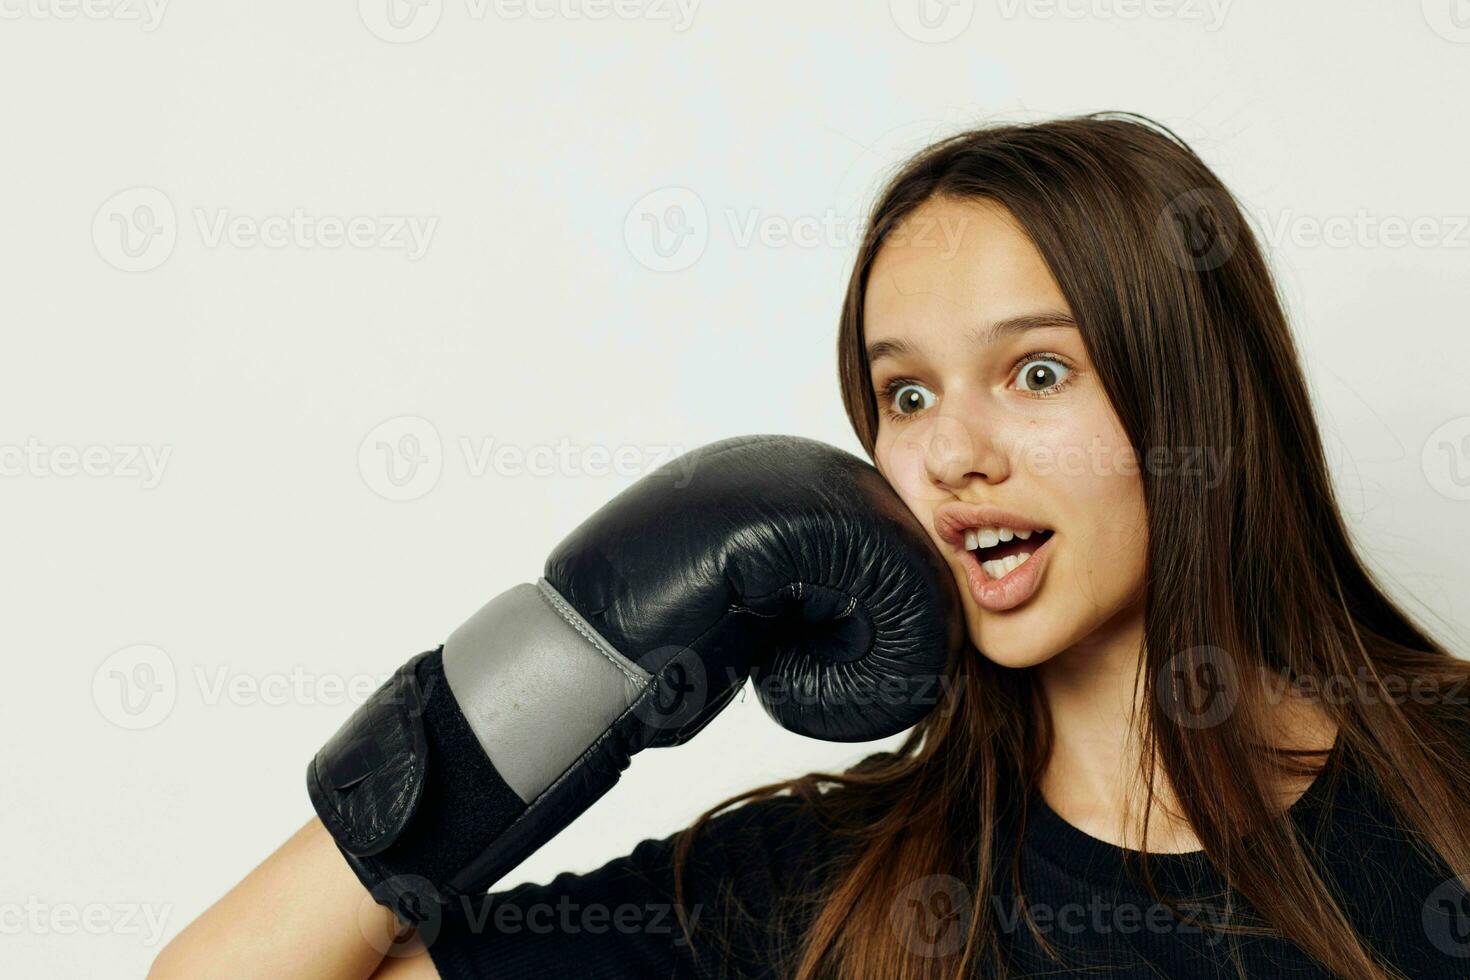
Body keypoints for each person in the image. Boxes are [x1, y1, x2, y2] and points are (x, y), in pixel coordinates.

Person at [150, 112, 1470, 980]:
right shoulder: (823, 891)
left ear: (1193, 397)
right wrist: (567, 668)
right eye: (904, 394)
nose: (952, 452)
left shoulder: (1448, 789)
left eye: (1035, 372)